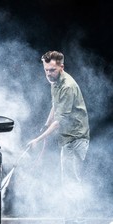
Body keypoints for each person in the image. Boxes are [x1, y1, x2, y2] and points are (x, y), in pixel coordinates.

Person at [27, 51, 90, 189]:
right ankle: (72, 207)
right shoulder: (54, 81)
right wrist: (46, 125)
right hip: (67, 137)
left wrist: (37, 140)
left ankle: (76, 208)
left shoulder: (67, 86)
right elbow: (55, 105)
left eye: (52, 70)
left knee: (71, 179)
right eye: (46, 70)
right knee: (67, 178)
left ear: (62, 67)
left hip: (76, 138)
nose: (49, 73)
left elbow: (59, 122)